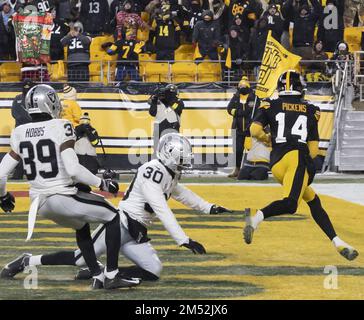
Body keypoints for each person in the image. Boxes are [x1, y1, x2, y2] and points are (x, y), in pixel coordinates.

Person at [2, 133, 232, 282]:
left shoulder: (169, 173)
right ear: (169, 155)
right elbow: (161, 207)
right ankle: (27, 260)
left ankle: (105, 273)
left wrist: (209, 207)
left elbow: (181, 193)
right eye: (181, 157)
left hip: (137, 230)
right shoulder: (153, 170)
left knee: (153, 271)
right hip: (122, 223)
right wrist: (182, 239)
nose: (184, 161)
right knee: (80, 258)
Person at [0, 84, 140, 290]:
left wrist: (2, 197)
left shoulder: (20, 132)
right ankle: (111, 275)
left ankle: (97, 274)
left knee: (81, 226)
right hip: (61, 196)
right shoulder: (61, 126)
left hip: (39, 204)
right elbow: (73, 169)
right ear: (49, 103)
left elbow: (1, 173)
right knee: (113, 216)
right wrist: (102, 183)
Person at [243, 70, 359, 261]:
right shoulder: (310, 110)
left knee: (313, 200)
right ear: (300, 89)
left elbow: (254, 129)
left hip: (278, 163)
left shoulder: (270, 104)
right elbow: (313, 150)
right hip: (297, 158)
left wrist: (268, 139)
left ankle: (338, 242)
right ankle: (255, 219)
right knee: (290, 204)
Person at [226, 77, 256, 178]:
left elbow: (251, 110)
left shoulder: (253, 96)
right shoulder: (235, 96)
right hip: (238, 129)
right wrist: (239, 112)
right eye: (240, 86)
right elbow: (229, 109)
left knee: (252, 150)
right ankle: (237, 169)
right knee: (237, 151)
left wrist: (240, 112)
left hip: (250, 129)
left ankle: (253, 170)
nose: (242, 88)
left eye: (244, 86)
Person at [10, 79, 34, 180]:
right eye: (25, 87)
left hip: (32, 130)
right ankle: (18, 174)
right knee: (19, 152)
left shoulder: (34, 98)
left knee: (31, 152)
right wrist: (24, 119)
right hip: (20, 130)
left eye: (28, 87)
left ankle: (31, 174)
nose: (26, 89)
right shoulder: (18, 98)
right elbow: (14, 113)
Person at [148, 84, 184, 151]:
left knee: (174, 149)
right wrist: (154, 99)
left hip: (173, 126)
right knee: (158, 149)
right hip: (159, 127)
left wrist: (168, 99)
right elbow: (152, 113)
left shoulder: (178, 101)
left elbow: (178, 107)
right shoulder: (158, 101)